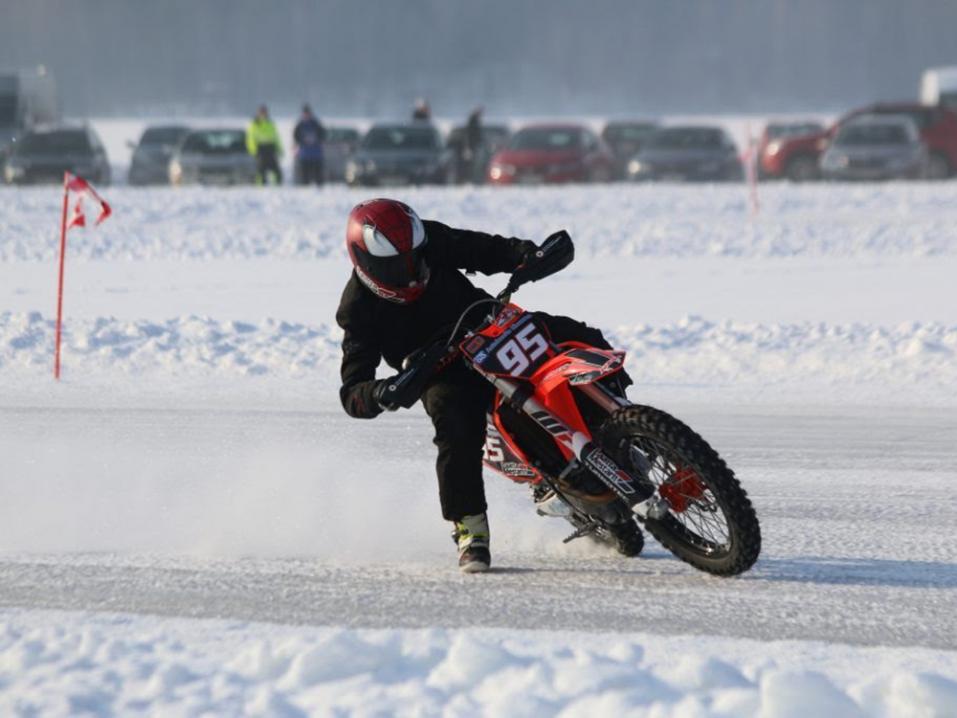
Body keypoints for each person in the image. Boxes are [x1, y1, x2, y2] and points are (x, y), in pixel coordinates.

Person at [335, 198, 630, 573]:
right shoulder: (357, 308)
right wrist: (382, 391)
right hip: (440, 367)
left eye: (416, 258)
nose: (412, 272)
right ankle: (469, 527)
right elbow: (352, 392)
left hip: (491, 325)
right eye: (397, 267)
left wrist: (527, 255)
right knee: (455, 422)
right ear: (367, 264)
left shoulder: (430, 238)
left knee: (579, 335)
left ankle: (627, 425)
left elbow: (484, 249)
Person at [246, 105, 283, 185]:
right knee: (261, 169)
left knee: (275, 169)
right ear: (258, 113)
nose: (263, 114)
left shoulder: (270, 123)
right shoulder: (255, 124)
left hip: (271, 148)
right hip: (260, 149)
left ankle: (277, 185)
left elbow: (276, 137)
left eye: (264, 112)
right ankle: (260, 186)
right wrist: (253, 150)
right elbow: (251, 138)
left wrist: (279, 148)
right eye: (262, 112)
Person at [293, 104, 327, 186]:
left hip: (316, 154)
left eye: (307, 113)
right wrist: (303, 141)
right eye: (305, 113)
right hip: (305, 154)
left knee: (318, 175)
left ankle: (319, 190)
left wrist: (315, 140)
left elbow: (323, 135)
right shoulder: (300, 125)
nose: (306, 115)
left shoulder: (316, 124)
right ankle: (305, 190)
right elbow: (295, 137)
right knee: (305, 176)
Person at [464, 106, 483, 183]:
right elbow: (469, 134)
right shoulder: (472, 120)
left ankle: (473, 179)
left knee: (474, 163)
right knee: (472, 164)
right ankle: (470, 179)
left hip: (474, 146)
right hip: (471, 146)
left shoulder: (475, 120)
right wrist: (468, 146)